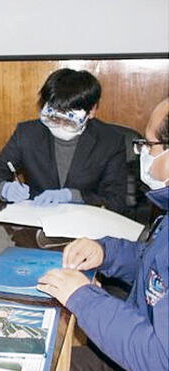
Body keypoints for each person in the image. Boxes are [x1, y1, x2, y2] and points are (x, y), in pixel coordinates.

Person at [37, 97, 169, 371]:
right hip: (134, 333)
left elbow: (159, 359)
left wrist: (83, 297)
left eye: (150, 145)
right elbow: (154, 266)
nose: (143, 152)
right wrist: (106, 252)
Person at [0, 68, 127, 213]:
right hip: (36, 220)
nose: (60, 125)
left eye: (69, 121)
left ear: (92, 111)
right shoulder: (27, 134)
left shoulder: (111, 141)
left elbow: (116, 201)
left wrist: (74, 196)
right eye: (54, 118)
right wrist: (3, 188)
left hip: (86, 224)